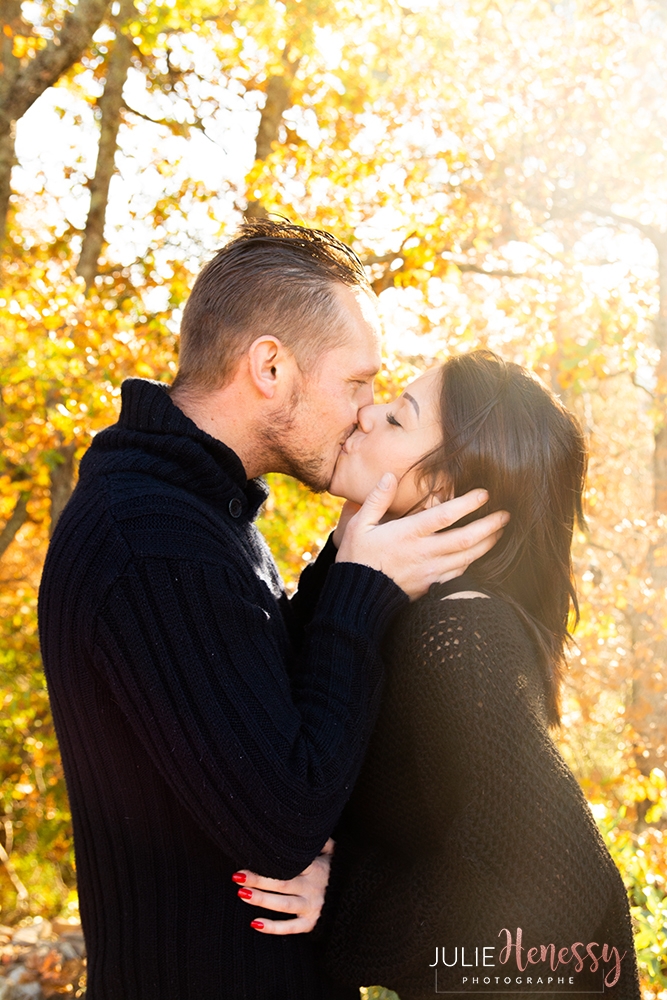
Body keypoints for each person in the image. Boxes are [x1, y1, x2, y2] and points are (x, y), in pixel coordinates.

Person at [37, 222, 507, 1000]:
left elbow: (272, 708)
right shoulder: (151, 539)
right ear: (268, 366)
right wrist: (360, 587)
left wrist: (343, 563)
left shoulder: (204, 516)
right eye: (357, 383)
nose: (365, 413)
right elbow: (284, 820)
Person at [238, 350, 642, 999]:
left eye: (398, 420)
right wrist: (343, 564)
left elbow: (562, 879)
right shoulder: (406, 608)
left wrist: (348, 900)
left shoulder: (457, 634)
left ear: (442, 490)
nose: (367, 415)